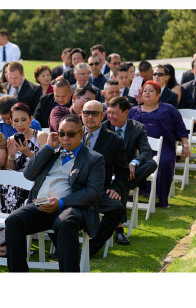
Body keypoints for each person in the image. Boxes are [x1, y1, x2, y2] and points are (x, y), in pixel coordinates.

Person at [3, 114, 104, 272]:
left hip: (71, 207)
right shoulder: (52, 152)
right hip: (41, 203)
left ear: (81, 133)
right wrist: (48, 147)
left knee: (64, 223)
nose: (65, 138)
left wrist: (61, 202)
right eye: (61, 133)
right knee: (13, 221)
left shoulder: (94, 159)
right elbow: (28, 174)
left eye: (70, 134)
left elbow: (93, 192)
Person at [0, 102, 48, 256]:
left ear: (31, 119)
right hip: (16, 182)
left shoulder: (41, 136)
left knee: (15, 191)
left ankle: (17, 242)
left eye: (23, 119)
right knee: (6, 188)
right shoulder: (11, 139)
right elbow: (10, 170)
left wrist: (28, 152)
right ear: (11, 121)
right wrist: (10, 155)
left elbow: (46, 164)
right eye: (16, 120)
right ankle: (4, 242)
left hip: (37, 181)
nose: (20, 124)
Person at [103, 96, 158, 242]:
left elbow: (146, 151)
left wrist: (133, 163)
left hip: (128, 171)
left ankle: (119, 227)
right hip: (109, 170)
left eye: (114, 113)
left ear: (126, 112)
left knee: (151, 164)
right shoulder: (104, 127)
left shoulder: (138, 128)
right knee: (123, 182)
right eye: (108, 112)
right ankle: (119, 230)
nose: (110, 116)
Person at [128, 80, 190, 208]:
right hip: (137, 149)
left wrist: (185, 146)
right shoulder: (133, 111)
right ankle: (130, 193)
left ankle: (160, 199)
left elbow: (181, 128)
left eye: (151, 91)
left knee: (163, 162)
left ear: (158, 95)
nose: (148, 93)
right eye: (145, 90)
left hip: (164, 148)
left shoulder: (169, 109)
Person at [78, 100, 129, 256]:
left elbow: (123, 172)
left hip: (98, 189)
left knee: (117, 208)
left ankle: (91, 248)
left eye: (95, 114)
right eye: (86, 113)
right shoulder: (71, 134)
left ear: (103, 116)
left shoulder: (114, 140)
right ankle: (63, 245)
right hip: (71, 187)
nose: (90, 117)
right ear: (81, 115)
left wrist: (115, 188)